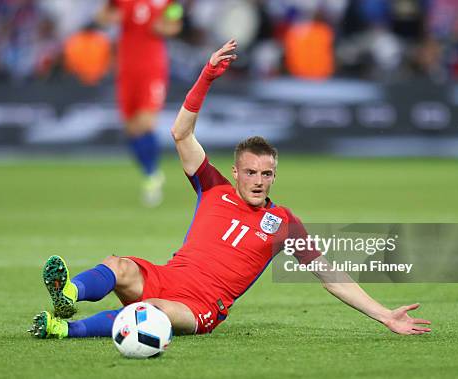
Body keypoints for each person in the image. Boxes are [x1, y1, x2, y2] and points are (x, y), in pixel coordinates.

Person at [28, 40, 432, 338]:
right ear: (236, 172)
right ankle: (69, 292)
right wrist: (205, 78)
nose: (259, 181)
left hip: (199, 306)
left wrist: (384, 315)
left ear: (274, 176)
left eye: (266, 174)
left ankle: (65, 329)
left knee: (148, 313)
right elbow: (179, 133)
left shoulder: (282, 223)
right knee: (118, 265)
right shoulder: (212, 187)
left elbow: (329, 275)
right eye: (251, 173)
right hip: (168, 277)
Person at [101, 0, 183, 207]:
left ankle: (151, 176)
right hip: (126, 70)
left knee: (146, 123)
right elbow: (103, 15)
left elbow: (175, 23)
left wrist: (165, 27)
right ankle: (151, 172)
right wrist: (109, 18)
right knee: (131, 129)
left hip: (152, 69)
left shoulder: (167, 2)